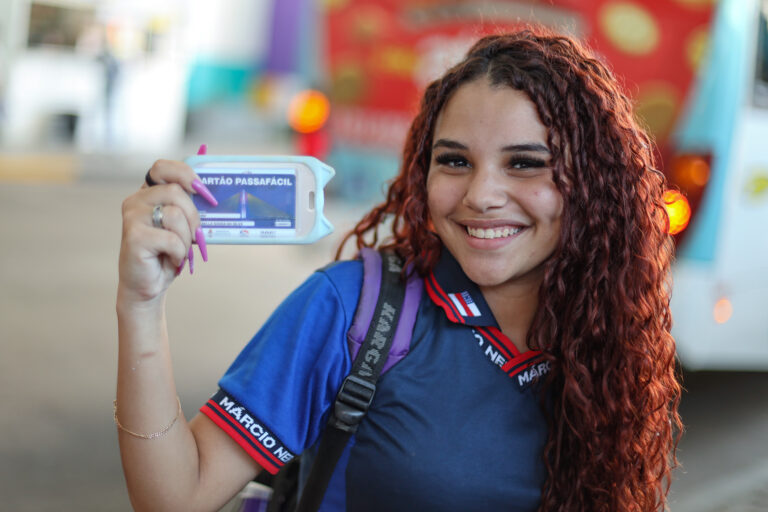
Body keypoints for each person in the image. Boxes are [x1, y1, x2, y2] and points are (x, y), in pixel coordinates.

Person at [116, 26, 681, 511]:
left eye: (525, 164)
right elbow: (176, 497)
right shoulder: (351, 307)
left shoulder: (610, 331)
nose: (481, 195)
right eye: (454, 160)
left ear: (593, 184)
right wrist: (141, 304)